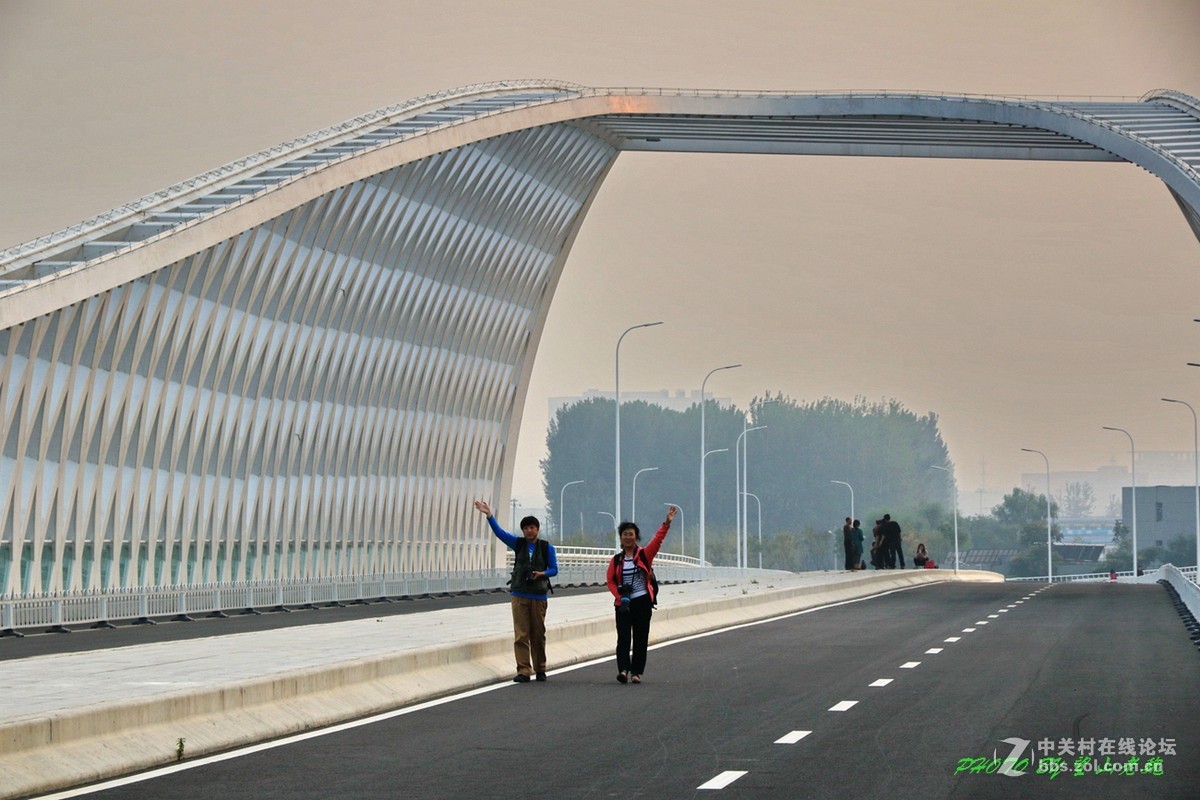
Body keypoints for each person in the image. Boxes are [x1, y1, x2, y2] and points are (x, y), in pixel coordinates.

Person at [474, 500, 558, 683]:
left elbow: (554, 569)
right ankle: (523, 671)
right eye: (526, 528)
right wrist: (489, 516)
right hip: (519, 595)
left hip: (538, 596)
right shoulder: (518, 544)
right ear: (523, 531)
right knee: (521, 634)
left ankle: (540, 668)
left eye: (533, 527)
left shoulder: (546, 547)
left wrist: (542, 573)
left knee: (538, 634)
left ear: (537, 529)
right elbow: (500, 534)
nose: (530, 531)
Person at [606, 505, 676, 684]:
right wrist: (619, 597)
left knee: (640, 637)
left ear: (636, 537)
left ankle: (636, 672)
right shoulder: (617, 560)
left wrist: (666, 523)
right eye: (625, 534)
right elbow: (611, 581)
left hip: (642, 601)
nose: (628, 537)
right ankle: (623, 670)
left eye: (631, 534)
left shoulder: (645, 555)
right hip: (623, 603)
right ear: (620, 538)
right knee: (623, 638)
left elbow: (658, 540)